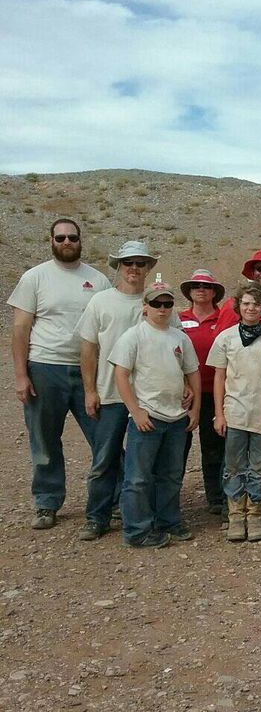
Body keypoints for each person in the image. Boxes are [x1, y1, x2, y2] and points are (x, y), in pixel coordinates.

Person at [7, 218, 111, 530]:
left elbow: (106, 327)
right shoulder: (34, 278)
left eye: (73, 237)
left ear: (81, 240)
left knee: (103, 437)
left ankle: (112, 499)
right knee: (44, 439)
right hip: (44, 368)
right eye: (61, 237)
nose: (67, 242)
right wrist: (21, 375)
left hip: (87, 371)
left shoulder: (98, 280)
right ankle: (47, 502)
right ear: (51, 240)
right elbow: (20, 329)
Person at [75, 240, 161, 540]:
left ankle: (142, 514)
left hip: (149, 397)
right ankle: (96, 516)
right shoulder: (101, 302)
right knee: (104, 458)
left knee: (145, 461)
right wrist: (89, 390)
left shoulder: (158, 302)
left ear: (148, 267)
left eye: (140, 263)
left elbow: (172, 344)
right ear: (119, 267)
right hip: (110, 393)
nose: (134, 268)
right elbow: (88, 348)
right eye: (128, 263)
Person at [109, 283, 201, 548]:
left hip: (176, 418)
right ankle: (137, 531)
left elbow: (192, 371)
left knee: (171, 475)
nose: (162, 309)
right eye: (157, 304)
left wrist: (194, 409)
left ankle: (168, 521)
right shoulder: (133, 336)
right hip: (147, 418)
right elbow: (121, 375)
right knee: (138, 478)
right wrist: (135, 411)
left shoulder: (180, 337)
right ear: (145, 307)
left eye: (167, 304)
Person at [208, 283, 261, 543]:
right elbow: (219, 377)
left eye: (256, 304)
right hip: (235, 413)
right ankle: (235, 515)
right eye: (246, 304)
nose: (251, 308)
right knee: (233, 466)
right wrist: (219, 413)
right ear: (238, 307)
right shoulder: (226, 338)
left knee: (260, 467)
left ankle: (255, 514)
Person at [178, 269, 227, 515]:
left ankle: (216, 496)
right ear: (189, 291)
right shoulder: (178, 318)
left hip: (213, 392)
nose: (201, 289)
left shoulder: (224, 318)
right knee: (178, 446)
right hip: (184, 393)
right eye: (196, 285)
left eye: (206, 286)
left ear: (214, 292)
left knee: (214, 446)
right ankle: (170, 495)